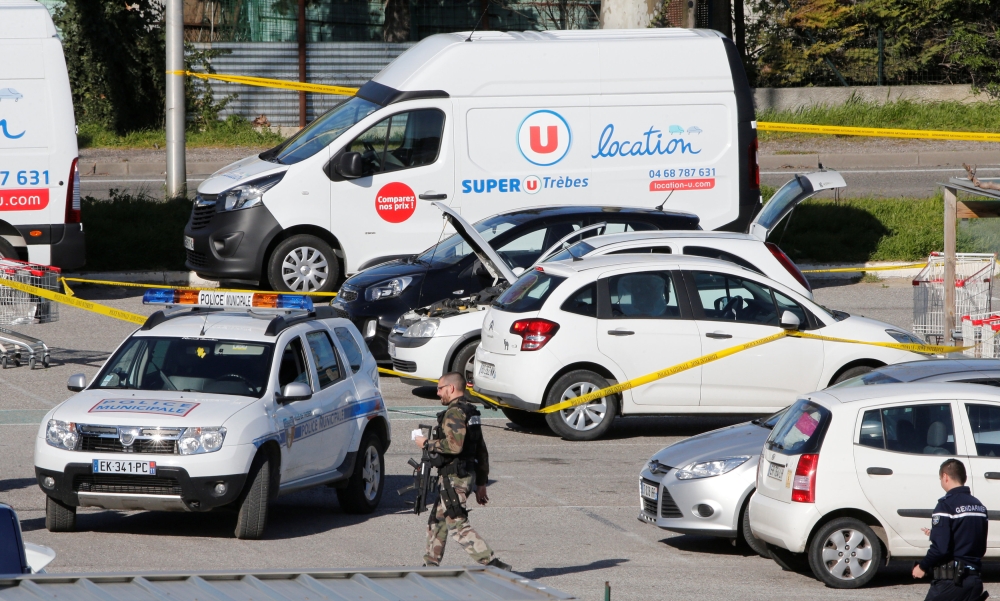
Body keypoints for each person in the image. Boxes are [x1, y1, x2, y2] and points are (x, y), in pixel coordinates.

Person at [414, 372, 511, 570]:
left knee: (457, 523)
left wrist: (426, 443)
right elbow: (481, 450)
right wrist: (481, 483)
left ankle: (493, 564)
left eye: (440, 388)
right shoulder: (470, 412)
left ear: (451, 388)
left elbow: (454, 446)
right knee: (437, 521)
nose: (438, 392)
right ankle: (430, 565)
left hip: (455, 478)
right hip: (462, 476)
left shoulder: (455, 413)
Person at [912, 459, 988, 601]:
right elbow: (977, 544)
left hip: (950, 583)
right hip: (974, 582)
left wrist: (922, 567)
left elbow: (940, 549)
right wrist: (936, 534)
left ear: (945, 476)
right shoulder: (980, 507)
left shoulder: (945, 506)